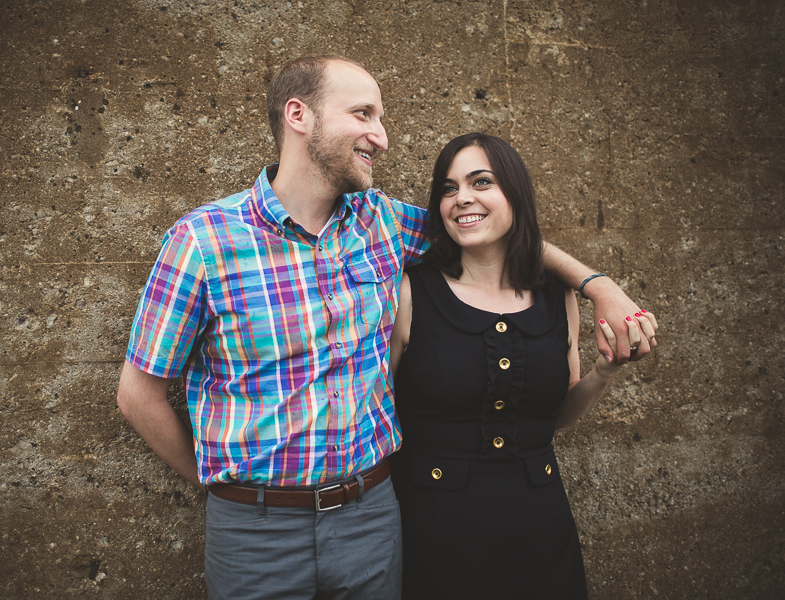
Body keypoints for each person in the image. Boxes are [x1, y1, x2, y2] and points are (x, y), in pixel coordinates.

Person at [116, 57, 656, 599]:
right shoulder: (203, 241)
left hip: (371, 520)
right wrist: (225, 488)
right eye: (364, 114)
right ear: (299, 115)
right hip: (254, 532)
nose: (383, 136)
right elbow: (139, 395)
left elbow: (492, 229)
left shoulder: (383, 223)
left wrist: (599, 287)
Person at [389, 133, 658, 599]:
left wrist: (605, 372)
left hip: (540, 524)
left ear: (515, 193)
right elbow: (378, 407)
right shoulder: (410, 293)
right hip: (435, 528)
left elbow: (552, 418)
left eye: (481, 182)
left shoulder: (558, 296)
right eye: (449, 189)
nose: (463, 198)